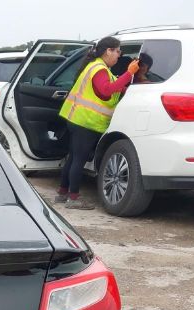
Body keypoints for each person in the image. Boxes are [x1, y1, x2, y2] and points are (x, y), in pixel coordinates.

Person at [55, 37, 139, 209]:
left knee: (73, 158)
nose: (119, 55)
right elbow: (106, 90)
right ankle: (73, 199)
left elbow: (110, 88)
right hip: (86, 122)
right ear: (108, 51)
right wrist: (129, 73)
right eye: (118, 51)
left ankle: (63, 194)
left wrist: (127, 89)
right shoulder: (100, 69)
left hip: (77, 118)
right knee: (79, 160)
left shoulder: (96, 66)